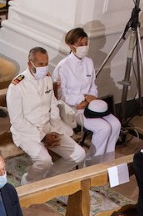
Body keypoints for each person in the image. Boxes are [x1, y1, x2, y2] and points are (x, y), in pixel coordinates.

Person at [7, 48, 85, 179]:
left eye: (46, 64)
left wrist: (54, 129)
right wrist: (43, 137)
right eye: (40, 64)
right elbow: (17, 121)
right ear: (30, 63)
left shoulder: (47, 78)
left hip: (48, 127)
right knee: (44, 160)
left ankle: (49, 177)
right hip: (26, 133)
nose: (44, 67)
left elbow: (53, 106)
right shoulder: (17, 86)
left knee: (79, 154)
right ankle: (28, 180)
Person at [57, 28, 119, 160]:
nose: (84, 47)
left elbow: (93, 85)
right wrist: (83, 98)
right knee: (103, 128)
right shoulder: (63, 66)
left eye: (86, 43)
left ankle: (108, 161)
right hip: (74, 109)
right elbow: (62, 96)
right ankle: (93, 163)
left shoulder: (89, 62)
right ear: (71, 45)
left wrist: (91, 99)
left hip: (91, 105)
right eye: (80, 44)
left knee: (115, 124)